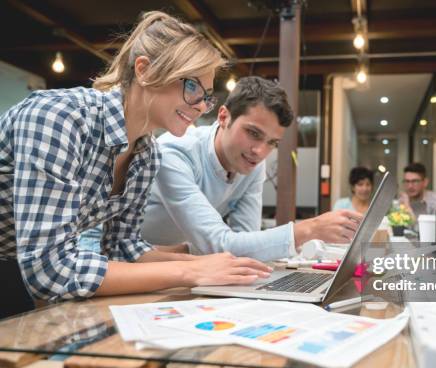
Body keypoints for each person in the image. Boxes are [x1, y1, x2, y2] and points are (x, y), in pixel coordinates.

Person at [0, 12, 271, 319]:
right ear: (144, 70)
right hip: (26, 267)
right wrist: (190, 273)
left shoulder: (146, 155)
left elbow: (123, 248)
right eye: (192, 87)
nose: (199, 106)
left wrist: (212, 265)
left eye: (206, 97)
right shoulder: (59, 118)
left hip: (13, 265)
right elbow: (49, 268)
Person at [140, 77, 362, 261]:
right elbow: (221, 243)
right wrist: (309, 228)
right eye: (253, 133)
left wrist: (191, 249)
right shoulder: (176, 153)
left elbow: (244, 241)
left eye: (272, 143)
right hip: (138, 267)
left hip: (186, 264)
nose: (260, 151)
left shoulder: (252, 165)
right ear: (224, 116)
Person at [398, 163, 436, 227]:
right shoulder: (402, 201)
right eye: (407, 181)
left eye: (415, 181)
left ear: (425, 182)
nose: (410, 186)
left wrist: (407, 208)